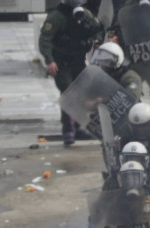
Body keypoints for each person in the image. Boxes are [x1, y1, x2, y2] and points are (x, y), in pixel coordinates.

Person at [38, 0, 104, 145]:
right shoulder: (57, 17)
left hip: (78, 62)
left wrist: (97, 41)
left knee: (80, 92)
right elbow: (45, 39)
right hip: (62, 64)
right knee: (69, 93)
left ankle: (77, 126)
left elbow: (98, 27)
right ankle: (69, 129)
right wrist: (50, 61)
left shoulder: (85, 15)